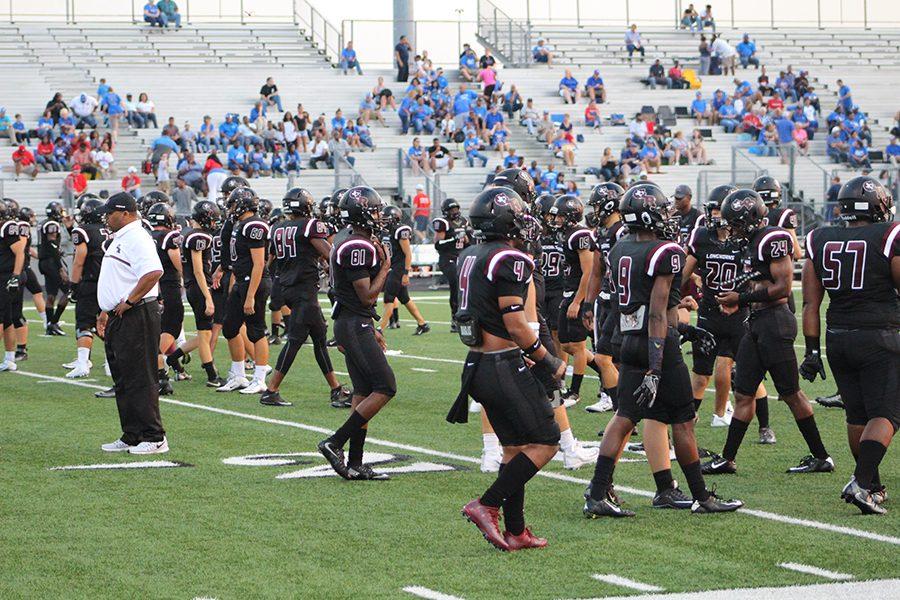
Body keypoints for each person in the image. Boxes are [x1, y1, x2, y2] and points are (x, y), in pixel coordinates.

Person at [585, 183, 742, 518]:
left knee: (624, 416)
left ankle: (597, 492)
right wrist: (656, 367)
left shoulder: (619, 247)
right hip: (657, 346)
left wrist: (686, 328)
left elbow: (645, 308)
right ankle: (702, 496)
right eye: (661, 209)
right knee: (683, 420)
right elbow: (656, 312)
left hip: (629, 340)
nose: (667, 214)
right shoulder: (665, 250)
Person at [449, 186, 565, 550]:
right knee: (547, 442)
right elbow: (515, 324)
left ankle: (516, 530)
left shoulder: (470, 254)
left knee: (515, 447)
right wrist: (547, 360)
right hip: (502, 363)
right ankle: (486, 504)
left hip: (477, 364)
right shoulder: (509, 258)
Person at [703, 189, 834, 476]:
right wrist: (736, 295)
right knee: (744, 393)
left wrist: (739, 299)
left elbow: (782, 288)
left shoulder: (773, 238)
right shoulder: (751, 241)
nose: (732, 229)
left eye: (735, 223)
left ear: (749, 219)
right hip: (756, 322)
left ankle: (822, 456)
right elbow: (755, 283)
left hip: (775, 323)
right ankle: (727, 459)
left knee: (791, 394)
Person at [801, 176, 898, 515]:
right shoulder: (889, 234)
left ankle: (871, 484)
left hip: (836, 337)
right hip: (880, 335)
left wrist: (812, 352)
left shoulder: (820, 237)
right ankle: (861, 481)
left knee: (857, 414)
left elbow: (810, 305)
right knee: (887, 412)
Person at [317, 186, 396, 481]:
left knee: (362, 392)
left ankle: (355, 462)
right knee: (386, 387)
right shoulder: (357, 246)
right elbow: (365, 295)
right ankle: (334, 442)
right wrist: (387, 267)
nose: (379, 215)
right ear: (362, 213)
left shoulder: (347, 240)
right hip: (354, 322)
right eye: (374, 210)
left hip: (353, 321)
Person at [683, 186, 774, 440]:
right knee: (700, 375)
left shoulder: (749, 241)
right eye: (711, 210)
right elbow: (683, 271)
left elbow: (761, 279)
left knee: (749, 374)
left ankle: (765, 426)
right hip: (709, 315)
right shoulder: (701, 236)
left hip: (739, 317)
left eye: (717, 210)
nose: (713, 216)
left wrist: (743, 297)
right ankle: (687, 423)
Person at [261, 188, 352, 408]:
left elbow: (271, 259)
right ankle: (271, 390)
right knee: (295, 340)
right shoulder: (310, 225)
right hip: (303, 289)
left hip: (287, 287)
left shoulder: (278, 227)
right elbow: (329, 254)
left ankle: (335, 388)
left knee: (319, 337)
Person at [93, 193, 167, 454]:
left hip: (136, 314)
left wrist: (131, 301)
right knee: (123, 377)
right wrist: (105, 310)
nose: (106, 217)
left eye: (110, 212)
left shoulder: (136, 237)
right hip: (119, 315)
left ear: (125, 213)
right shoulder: (121, 237)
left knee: (140, 376)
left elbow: (154, 271)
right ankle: (132, 433)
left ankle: (154, 436)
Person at [216, 187, 271, 394]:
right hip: (241, 281)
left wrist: (249, 296)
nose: (229, 208)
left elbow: (259, 264)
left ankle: (259, 378)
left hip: (254, 283)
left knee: (256, 331)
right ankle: (239, 375)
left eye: (231, 204)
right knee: (230, 328)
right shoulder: (240, 224)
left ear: (242, 204)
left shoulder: (254, 224)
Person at [164, 200, 224, 387]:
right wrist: (208, 297)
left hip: (193, 286)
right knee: (205, 335)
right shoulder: (199, 237)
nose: (215, 223)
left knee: (203, 334)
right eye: (213, 219)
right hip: (199, 287)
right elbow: (198, 270)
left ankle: (173, 358)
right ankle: (212, 376)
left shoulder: (189, 234)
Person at [64, 198, 108, 378]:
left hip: (90, 282)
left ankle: (83, 363)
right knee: (108, 324)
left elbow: (79, 260)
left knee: (85, 323)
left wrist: (73, 285)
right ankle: (111, 364)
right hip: (110, 283)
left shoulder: (82, 230)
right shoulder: (111, 230)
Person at [146, 202, 183, 396]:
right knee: (171, 328)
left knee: (161, 330)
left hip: (151, 289)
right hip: (169, 288)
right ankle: (155, 369)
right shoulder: (169, 237)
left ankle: (164, 373)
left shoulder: (147, 236)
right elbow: (178, 263)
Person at [377, 206, 430, 335]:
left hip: (399, 268)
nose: (382, 220)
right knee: (404, 298)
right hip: (391, 267)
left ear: (394, 218)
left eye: (385, 218)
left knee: (389, 297)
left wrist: (406, 273)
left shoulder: (400, 230)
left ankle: (380, 329)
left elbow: (408, 254)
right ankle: (422, 324)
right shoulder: (384, 231)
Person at [432, 198, 469, 333]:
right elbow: (438, 245)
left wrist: (466, 239)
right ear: (445, 212)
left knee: (466, 287)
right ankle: (455, 318)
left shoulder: (464, 221)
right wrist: (454, 238)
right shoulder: (443, 223)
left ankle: (466, 316)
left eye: (456, 209)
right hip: (447, 259)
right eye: (452, 210)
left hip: (461, 257)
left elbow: (467, 242)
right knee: (455, 284)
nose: (455, 212)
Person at [38, 201, 70, 336]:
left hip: (45, 262)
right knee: (69, 291)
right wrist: (61, 269)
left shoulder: (43, 222)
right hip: (51, 263)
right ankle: (54, 322)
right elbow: (52, 245)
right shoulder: (52, 224)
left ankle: (50, 326)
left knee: (51, 295)